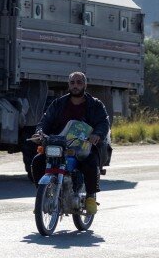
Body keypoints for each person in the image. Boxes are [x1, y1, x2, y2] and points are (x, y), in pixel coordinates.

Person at [31, 71, 110, 215]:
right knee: (38, 161)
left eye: (79, 82)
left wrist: (97, 135)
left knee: (90, 162)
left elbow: (103, 122)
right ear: (68, 85)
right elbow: (45, 121)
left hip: (84, 146)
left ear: (85, 85)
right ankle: (42, 196)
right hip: (60, 145)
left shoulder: (95, 104)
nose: (75, 86)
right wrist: (40, 133)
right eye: (72, 83)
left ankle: (90, 197)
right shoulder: (58, 103)